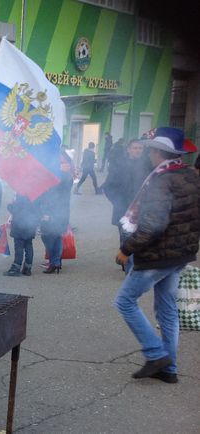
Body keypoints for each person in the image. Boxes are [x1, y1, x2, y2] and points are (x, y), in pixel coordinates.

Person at [113, 127, 200, 384]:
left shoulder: (161, 179)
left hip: (158, 255)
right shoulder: (189, 175)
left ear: (159, 153)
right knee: (167, 310)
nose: (148, 154)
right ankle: (169, 369)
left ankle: (156, 354)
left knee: (124, 301)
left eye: (150, 149)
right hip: (180, 254)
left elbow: (153, 225)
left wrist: (125, 249)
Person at [102, 139, 152, 245]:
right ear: (128, 150)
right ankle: (129, 261)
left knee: (140, 240)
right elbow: (108, 187)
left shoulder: (148, 165)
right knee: (126, 240)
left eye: (140, 148)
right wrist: (118, 202)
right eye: (135, 148)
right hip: (124, 210)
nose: (138, 151)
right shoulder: (119, 165)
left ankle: (133, 261)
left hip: (143, 210)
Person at [38, 152, 74, 274]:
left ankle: (54, 261)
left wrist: (46, 212)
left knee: (48, 235)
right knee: (56, 236)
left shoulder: (60, 177)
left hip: (53, 210)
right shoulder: (66, 176)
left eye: (63, 162)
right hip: (62, 210)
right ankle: (56, 262)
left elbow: (50, 196)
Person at [3, 194, 40, 277]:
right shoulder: (35, 195)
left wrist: (10, 204)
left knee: (19, 248)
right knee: (28, 246)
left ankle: (16, 268)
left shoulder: (21, 195)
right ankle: (27, 268)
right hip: (30, 226)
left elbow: (15, 210)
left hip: (20, 226)